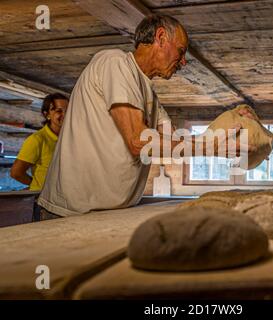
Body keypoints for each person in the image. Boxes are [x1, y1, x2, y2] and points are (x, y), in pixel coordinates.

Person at [38, 15, 256, 217]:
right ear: (161, 37)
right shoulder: (115, 63)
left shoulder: (148, 93)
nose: (183, 62)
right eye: (181, 51)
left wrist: (232, 119)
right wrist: (212, 148)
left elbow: (174, 141)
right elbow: (138, 141)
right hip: (69, 211)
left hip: (107, 212)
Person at [11, 93, 68, 191]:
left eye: (68, 111)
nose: (65, 115)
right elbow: (16, 173)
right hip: (44, 202)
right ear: (47, 114)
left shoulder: (71, 138)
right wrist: (37, 185)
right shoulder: (37, 140)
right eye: (59, 111)